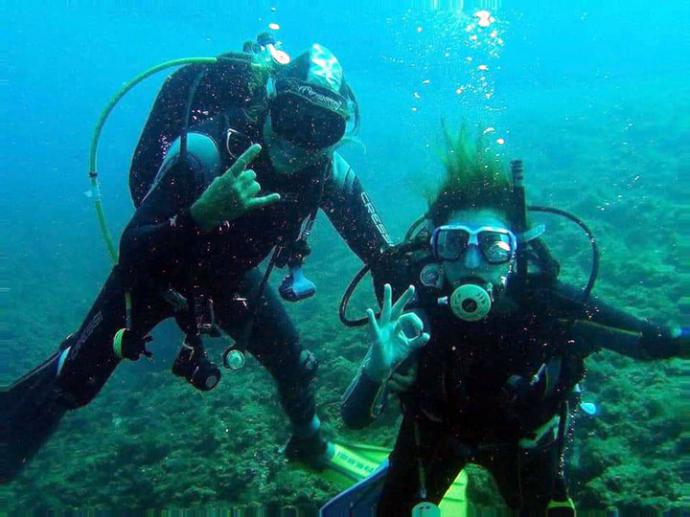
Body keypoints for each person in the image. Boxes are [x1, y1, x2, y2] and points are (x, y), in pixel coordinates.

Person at [1, 39, 391, 483]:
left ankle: (310, 443)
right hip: (155, 277)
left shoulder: (327, 173)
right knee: (73, 386)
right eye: (292, 118)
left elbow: (384, 255)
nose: (301, 142)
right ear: (267, 105)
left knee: (294, 363)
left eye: (322, 129)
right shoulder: (205, 152)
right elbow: (133, 252)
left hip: (229, 283)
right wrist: (198, 217)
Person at [335, 126, 689, 515]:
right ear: (434, 248)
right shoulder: (414, 310)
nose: (472, 262)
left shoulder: (548, 306)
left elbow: (649, 339)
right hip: (432, 437)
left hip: (525, 444)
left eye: (493, 246)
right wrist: (375, 369)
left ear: (516, 252)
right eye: (453, 243)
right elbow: (353, 418)